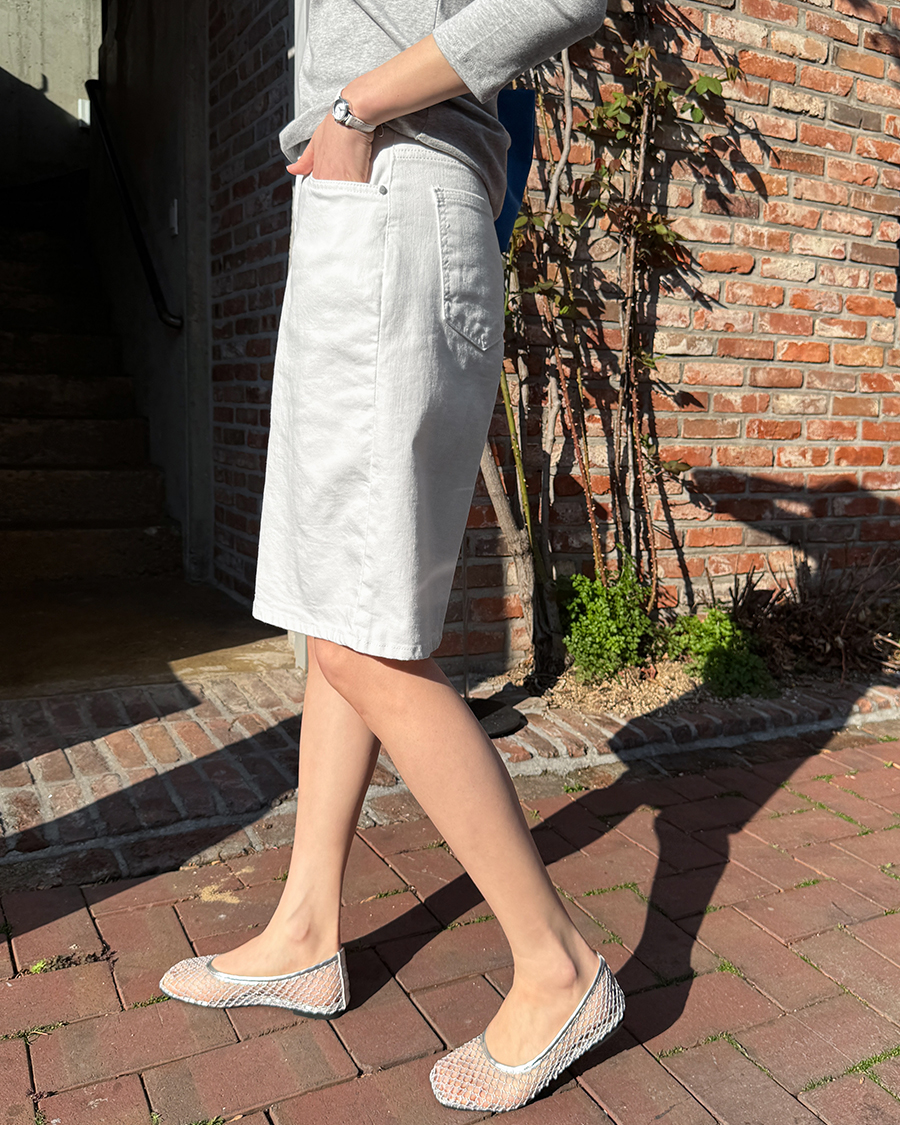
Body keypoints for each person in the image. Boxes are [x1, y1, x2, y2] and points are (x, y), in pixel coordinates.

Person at [161, 0, 623, 1113]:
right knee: (338, 611)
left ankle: (556, 965)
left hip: (394, 187)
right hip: (365, 197)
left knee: (366, 640)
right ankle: (305, 930)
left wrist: (356, 107)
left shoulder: (376, 129)